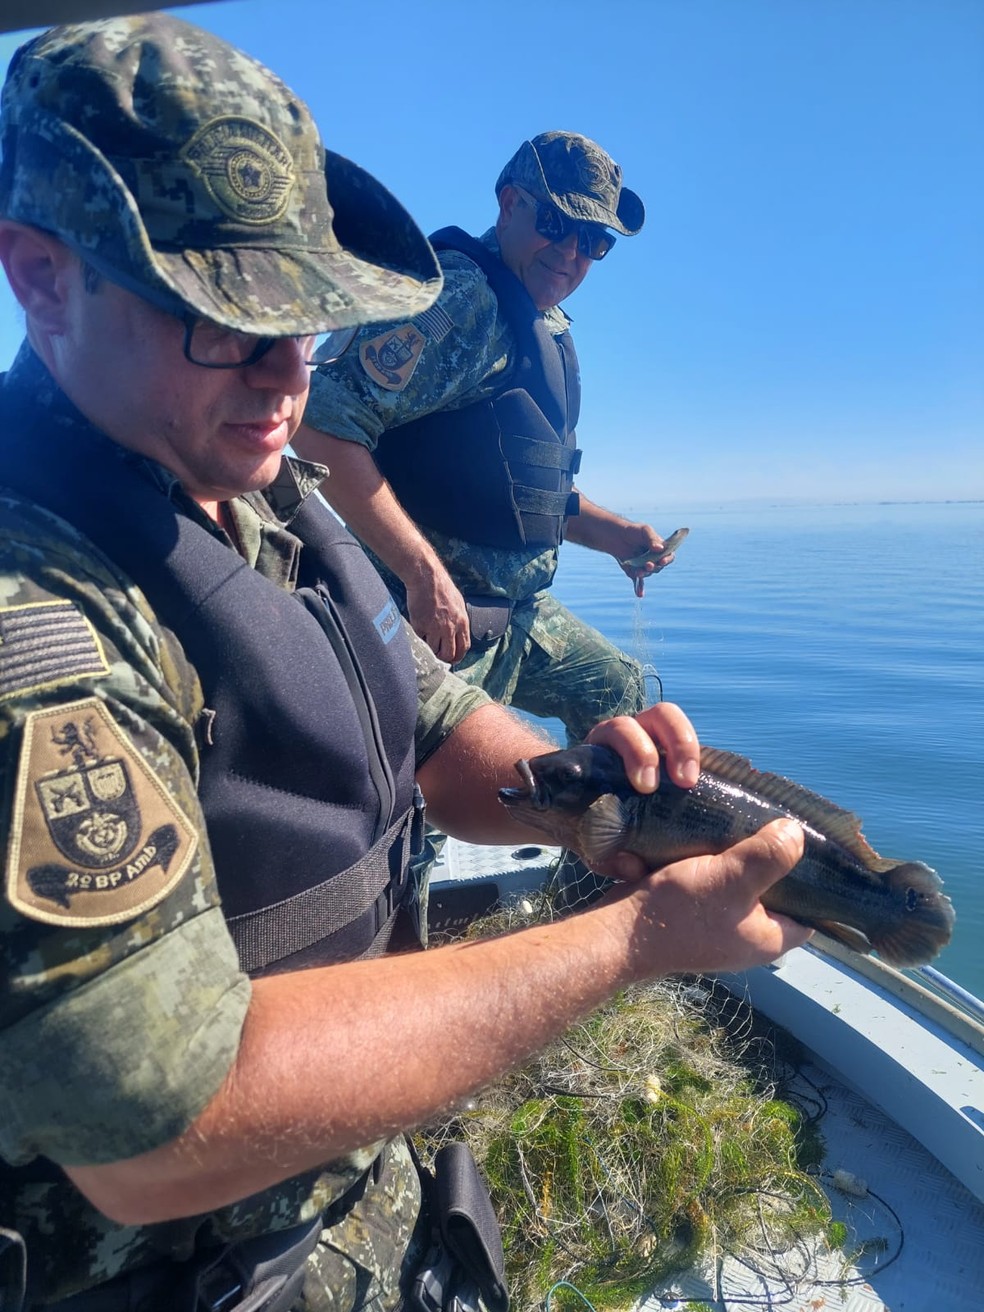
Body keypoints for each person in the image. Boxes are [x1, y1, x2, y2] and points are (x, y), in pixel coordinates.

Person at [0, 14, 810, 1312]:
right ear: (42, 279)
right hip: (200, 1270)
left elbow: (426, 715)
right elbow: (157, 1132)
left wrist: (592, 796)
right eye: (225, 320)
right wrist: (636, 943)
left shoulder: (256, 486)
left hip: (370, 1196)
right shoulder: (36, 619)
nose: (285, 381)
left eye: (304, 323)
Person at [294, 130, 674, 748]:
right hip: (427, 620)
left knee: (617, 693)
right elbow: (318, 426)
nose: (572, 252)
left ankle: (597, 845)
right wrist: (422, 575)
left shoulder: (540, 326)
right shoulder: (458, 298)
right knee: (413, 804)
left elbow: (518, 488)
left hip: (512, 615)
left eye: (593, 241)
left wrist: (617, 537)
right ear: (508, 204)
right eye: (557, 221)